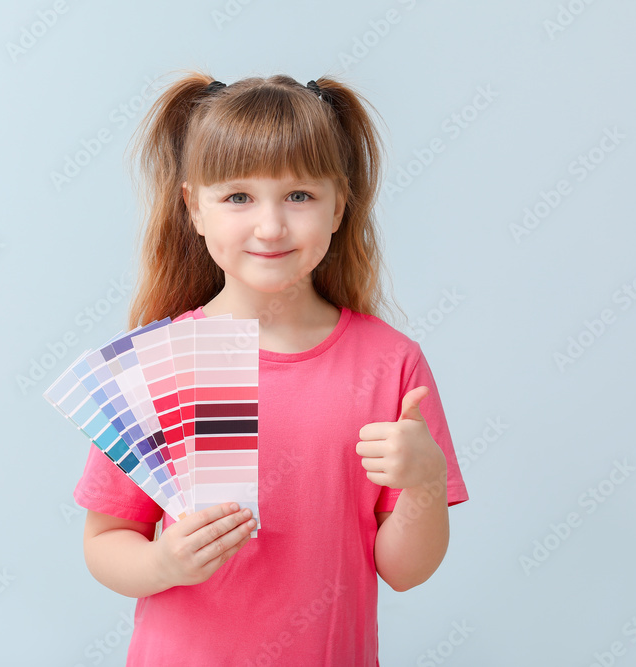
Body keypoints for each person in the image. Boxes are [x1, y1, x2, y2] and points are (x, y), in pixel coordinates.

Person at [72, 69, 469, 666]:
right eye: (237, 197)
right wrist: (162, 563)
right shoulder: (156, 364)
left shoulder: (390, 364)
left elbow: (405, 571)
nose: (271, 225)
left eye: (300, 196)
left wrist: (425, 483)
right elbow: (105, 541)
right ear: (193, 209)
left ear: (340, 207)